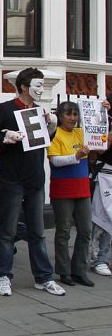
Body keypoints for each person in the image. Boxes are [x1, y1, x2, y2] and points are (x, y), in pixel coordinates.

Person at [0, 67, 64, 296]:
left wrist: (51, 126)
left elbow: (44, 141)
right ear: (23, 86)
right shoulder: (5, 109)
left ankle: (44, 277)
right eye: (37, 85)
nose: (41, 89)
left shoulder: (40, 110)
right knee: (7, 230)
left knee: (38, 231)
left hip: (35, 178)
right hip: (12, 178)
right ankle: (3, 275)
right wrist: (5, 137)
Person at [47, 101, 103, 287]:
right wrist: (76, 157)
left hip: (82, 189)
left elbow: (100, 138)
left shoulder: (81, 133)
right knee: (63, 232)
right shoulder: (55, 134)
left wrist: (104, 112)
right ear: (60, 116)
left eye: (75, 114)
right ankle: (64, 271)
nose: (72, 118)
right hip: (62, 190)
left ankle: (79, 270)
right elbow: (55, 161)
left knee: (85, 230)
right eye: (68, 114)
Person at [91, 95, 112, 277]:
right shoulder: (104, 114)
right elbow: (99, 148)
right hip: (107, 173)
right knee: (103, 218)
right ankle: (99, 258)